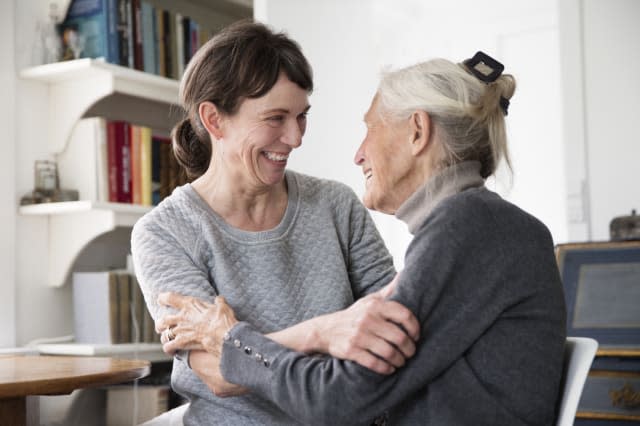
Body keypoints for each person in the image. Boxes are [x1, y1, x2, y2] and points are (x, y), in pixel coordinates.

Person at [157, 52, 568, 425]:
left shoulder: (468, 226)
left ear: (417, 131)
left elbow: (334, 398)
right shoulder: (478, 225)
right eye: (275, 118)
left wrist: (228, 339)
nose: (358, 154)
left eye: (370, 129)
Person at [130, 20, 421, 425]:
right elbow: (216, 374)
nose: (296, 137)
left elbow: (390, 332)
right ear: (214, 120)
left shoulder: (336, 205)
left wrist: (233, 341)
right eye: (275, 118)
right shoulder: (165, 232)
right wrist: (325, 333)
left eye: (302, 116)